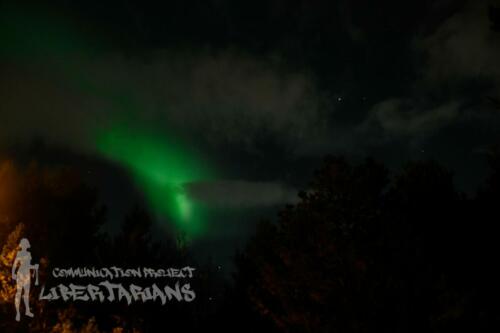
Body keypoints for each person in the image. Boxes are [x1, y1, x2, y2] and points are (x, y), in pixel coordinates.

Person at [12, 238, 38, 322]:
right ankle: (17, 313)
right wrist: (13, 273)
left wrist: (34, 267)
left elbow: (28, 265)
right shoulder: (19, 253)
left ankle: (27, 310)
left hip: (27, 274)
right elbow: (15, 264)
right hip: (21, 274)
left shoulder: (28, 254)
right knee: (19, 292)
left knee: (26, 293)